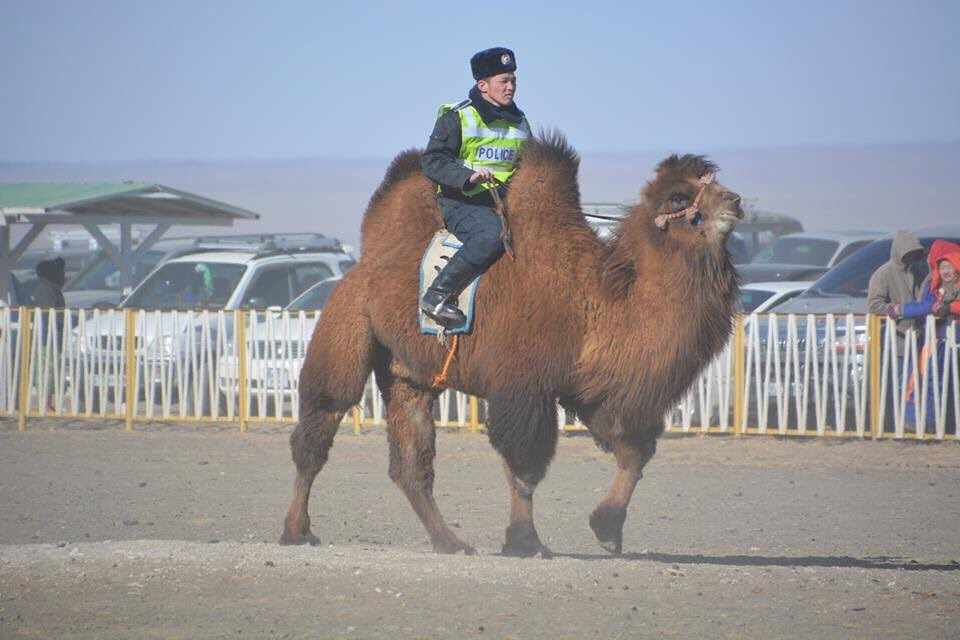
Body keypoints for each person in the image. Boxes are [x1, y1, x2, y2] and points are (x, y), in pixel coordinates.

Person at [419, 46, 531, 328]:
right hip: (463, 203)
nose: (511, 87)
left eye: (513, 80)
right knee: (492, 236)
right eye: (503, 81)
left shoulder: (521, 122)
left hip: (505, 203)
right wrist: (468, 178)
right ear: (483, 85)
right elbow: (432, 161)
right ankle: (438, 295)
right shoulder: (457, 117)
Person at [899, 239, 960, 430]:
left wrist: (948, 307)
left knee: (934, 381)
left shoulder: (946, 287)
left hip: (946, 340)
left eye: (950, 266)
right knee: (927, 379)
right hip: (936, 339)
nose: (945, 271)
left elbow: (930, 306)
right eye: (942, 266)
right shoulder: (936, 285)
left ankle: (930, 423)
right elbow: (928, 306)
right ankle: (923, 423)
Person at [867, 230, 926, 338]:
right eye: (908, 252)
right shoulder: (883, 273)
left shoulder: (918, 271)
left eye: (914, 253)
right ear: (899, 251)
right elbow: (874, 305)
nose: (912, 256)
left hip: (918, 336)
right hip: (895, 337)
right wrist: (899, 310)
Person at [30, 257, 67, 411]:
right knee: (46, 370)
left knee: (50, 370)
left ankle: (47, 403)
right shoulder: (45, 289)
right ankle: (45, 405)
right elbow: (50, 314)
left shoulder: (50, 288)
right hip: (46, 338)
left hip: (52, 337)